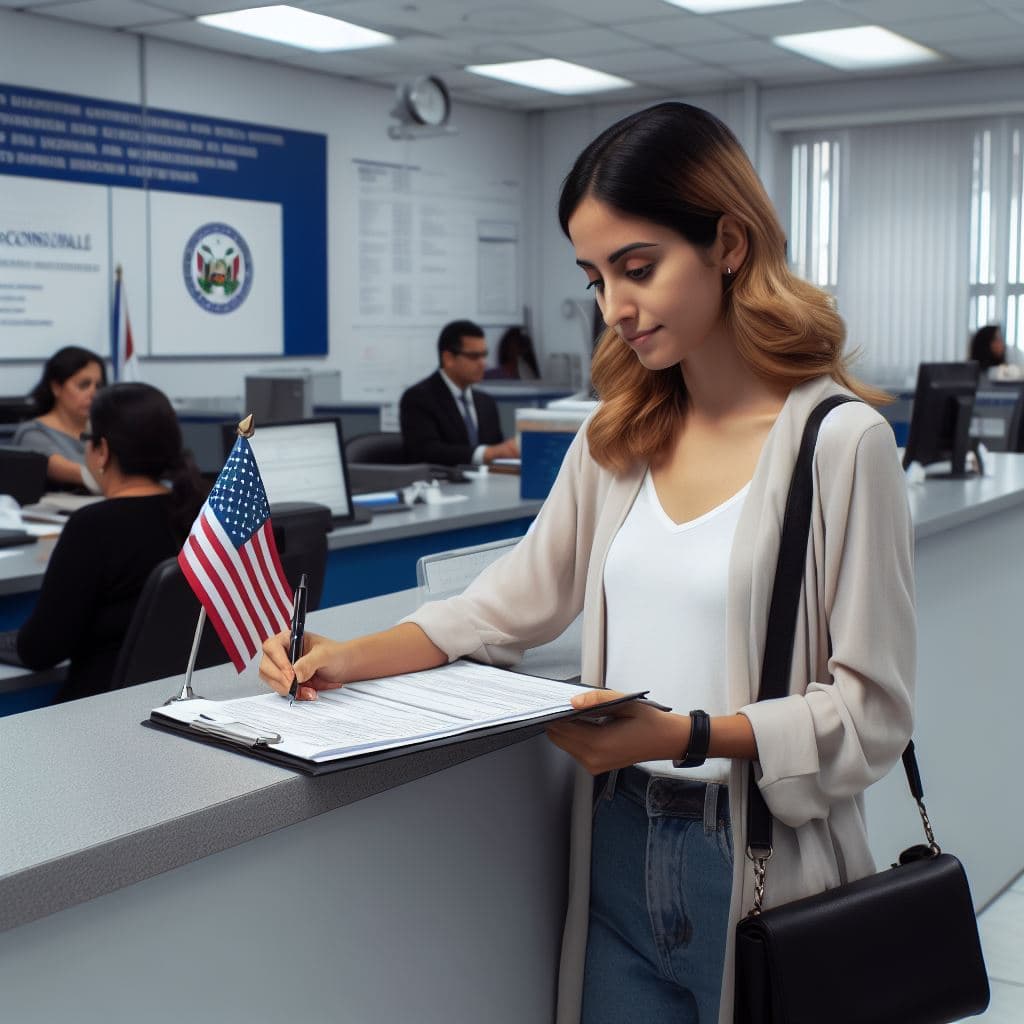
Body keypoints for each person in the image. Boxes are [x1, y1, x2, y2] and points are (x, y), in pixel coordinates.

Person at [259, 103, 915, 1024]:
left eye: (638, 268)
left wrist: (683, 734)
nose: (614, 307)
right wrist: (347, 655)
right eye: (595, 277)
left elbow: (870, 715)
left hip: (758, 860)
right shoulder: (619, 437)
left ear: (727, 243)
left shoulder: (843, 445)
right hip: (611, 838)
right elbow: (501, 608)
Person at [13, 383, 205, 703]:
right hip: (181, 701)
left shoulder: (92, 527)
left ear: (102, 451)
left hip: (98, 710)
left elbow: (39, 651)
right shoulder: (199, 513)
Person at [400, 319, 520, 466]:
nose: (483, 363)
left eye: (484, 355)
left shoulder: (486, 403)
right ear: (448, 358)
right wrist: (485, 454)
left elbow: (497, 453)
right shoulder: (418, 398)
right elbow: (426, 452)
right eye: (474, 357)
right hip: (441, 486)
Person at [13, 346, 107, 492]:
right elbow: (79, 474)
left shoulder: (106, 428)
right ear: (56, 387)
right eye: (84, 385)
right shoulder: (33, 433)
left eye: (98, 386)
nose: (94, 394)